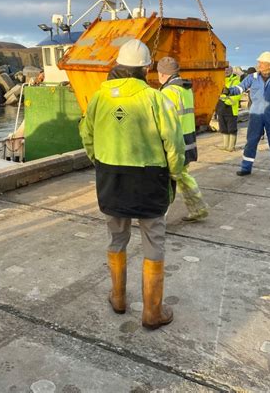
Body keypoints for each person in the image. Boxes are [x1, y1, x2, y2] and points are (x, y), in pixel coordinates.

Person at [79, 40, 185, 330]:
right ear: (147, 68)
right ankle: (152, 312)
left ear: (118, 65)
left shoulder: (100, 97)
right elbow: (173, 144)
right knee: (153, 240)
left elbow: (87, 136)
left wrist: (101, 162)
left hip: (111, 177)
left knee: (116, 237)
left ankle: (118, 298)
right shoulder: (156, 98)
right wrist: (174, 173)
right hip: (150, 179)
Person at [157, 56, 209, 222]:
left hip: (176, 144)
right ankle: (198, 209)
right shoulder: (185, 89)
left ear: (163, 74)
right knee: (182, 177)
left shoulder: (168, 92)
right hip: (188, 141)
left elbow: (164, 121)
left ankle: (159, 219)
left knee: (166, 182)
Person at [223, 51, 270, 178]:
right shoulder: (253, 77)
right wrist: (228, 91)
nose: (259, 64)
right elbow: (240, 88)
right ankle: (246, 167)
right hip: (256, 114)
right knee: (251, 141)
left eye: (262, 63)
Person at [216, 65, 241, 151]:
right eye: (224, 70)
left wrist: (226, 100)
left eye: (227, 70)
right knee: (223, 127)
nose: (226, 72)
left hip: (231, 108)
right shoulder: (220, 80)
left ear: (231, 71)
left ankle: (231, 146)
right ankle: (225, 145)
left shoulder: (236, 81)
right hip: (221, 107)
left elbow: (237, 95)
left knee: (232, 128)